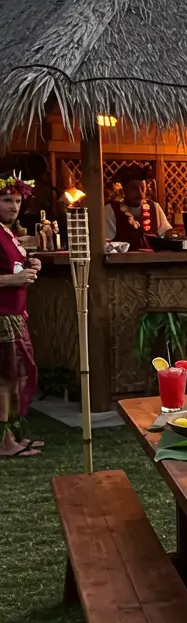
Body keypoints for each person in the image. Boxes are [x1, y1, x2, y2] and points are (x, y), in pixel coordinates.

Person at [0, 171, 43, 458]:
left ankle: (12, 434)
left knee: (16, 376)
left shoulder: (8, 232)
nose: (14, 206)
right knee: (4, 379)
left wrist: (31, 266)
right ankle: (4, 442)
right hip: (2, 314)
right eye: (6, 200)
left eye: (17, 201)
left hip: (15, 313)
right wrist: (13, 280)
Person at [104, 164, 178, 250]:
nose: (140, 193)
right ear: (124, 189)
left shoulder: (154, 207)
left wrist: (172, 235)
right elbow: (107, 243)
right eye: (134, 188)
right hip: (124, 258)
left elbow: (166, 232)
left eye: (143, 188)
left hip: (153, 257)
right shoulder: (111, 210)